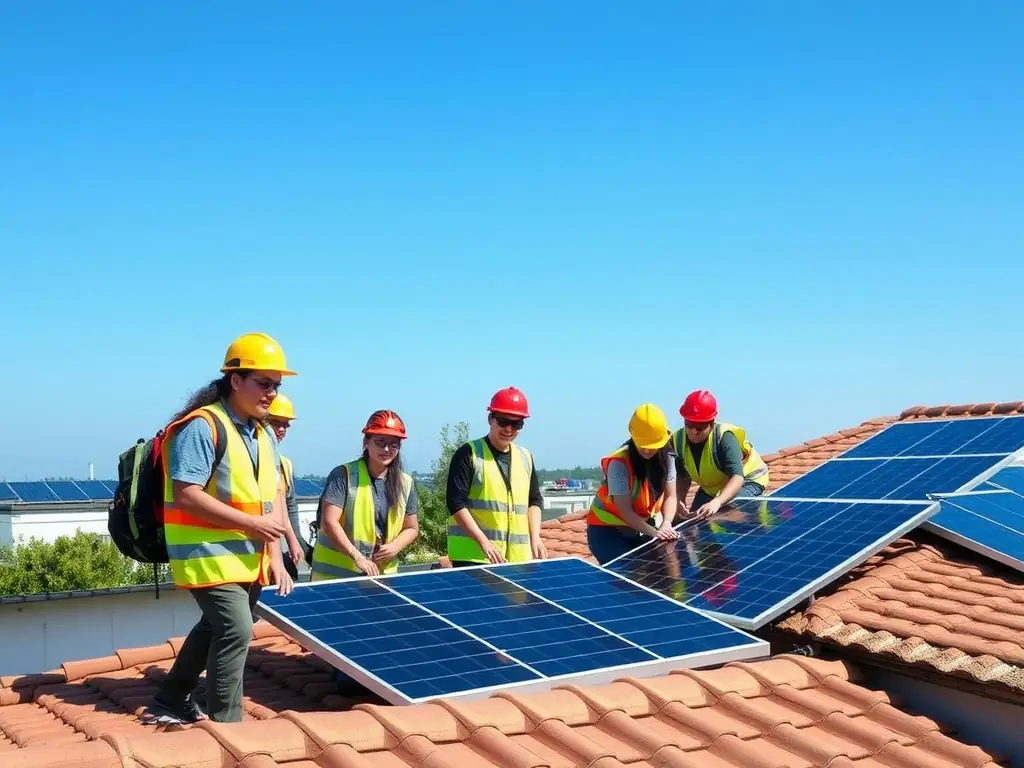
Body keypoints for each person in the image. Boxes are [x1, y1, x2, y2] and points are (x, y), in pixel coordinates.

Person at [150, 332, 296, 725]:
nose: (271, 393)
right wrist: (253, 524)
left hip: (246, 559)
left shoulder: (263, 433)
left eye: (276, 385)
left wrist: (275, 556)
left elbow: (271, 497)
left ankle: (171, 696)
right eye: (263, 383)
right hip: (205, 555)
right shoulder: (203, 427)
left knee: (215, 625)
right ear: (235, 380)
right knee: (236, 628)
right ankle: (229, 727)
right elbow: (187, 495)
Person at [310, 410, 419, 579]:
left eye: (394, 444)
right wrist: (357, 557)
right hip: (335, 578)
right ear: (366, 442)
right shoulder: (344, 475)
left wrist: (395, 546)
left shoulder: (405, 483)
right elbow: (329, 522)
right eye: (380, 442)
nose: (387, 449)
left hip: (381, 577)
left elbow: (411, 528)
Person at [446, 387, 547, 566]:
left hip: (517, 559)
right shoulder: (469, 453)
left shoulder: (525, 457)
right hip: (474, 558)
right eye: (503, 421)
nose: (509, 429)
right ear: (490, 419)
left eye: (516, 424)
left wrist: (535, 538)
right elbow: (455, 502)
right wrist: (484, 542)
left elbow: (534, 501)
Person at [586, 403, 680, 565]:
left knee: (657, 569)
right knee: (625, 572)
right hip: (606, 530)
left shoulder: (668, 458)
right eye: (643, 446)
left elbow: (671, 496)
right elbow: (626, 512)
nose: (648, 450)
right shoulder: (619, 463)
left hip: (640, 528)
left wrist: (666, 523)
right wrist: (655, 532)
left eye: (653, 446)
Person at [673, 389, 769, 520]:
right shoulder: (678, 440)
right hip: (713, 489)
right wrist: (680, 500)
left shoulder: (724, 438)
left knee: (724, 514)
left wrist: (717, 501)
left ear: (711, 424)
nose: (694, 432)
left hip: (747, 481)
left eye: (700, 427)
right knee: (693, 521)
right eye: (689, 425)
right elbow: (682, 477)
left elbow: (737, 477)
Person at [266, 393, 307, 580]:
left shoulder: (284, 465)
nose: (281, 430)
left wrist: (294, 541)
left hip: (275, 549)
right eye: (275, 423)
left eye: (286, 425)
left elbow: (287, 507)